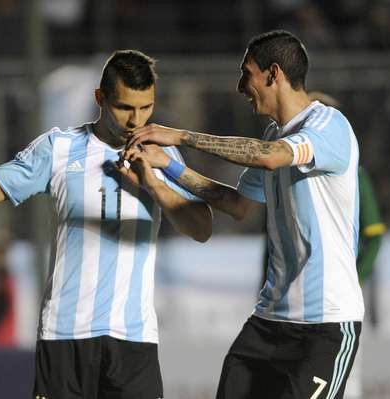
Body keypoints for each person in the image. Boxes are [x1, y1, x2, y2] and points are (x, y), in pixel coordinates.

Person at [0, 49, 212, 399]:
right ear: (100, 98)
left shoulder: (163, 155)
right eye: (125, 107)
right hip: (65, 335)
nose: (136, 120)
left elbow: (201, 228)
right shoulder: (59, 148)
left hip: (133, 338)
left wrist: (153, 183)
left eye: (146, 107)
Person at [124, 30, 363, 399]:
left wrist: (181, 137)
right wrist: (166, 167)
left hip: (325, 325)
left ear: (273, 74)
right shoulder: (274, 134)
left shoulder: (328, 126)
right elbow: (236, 204)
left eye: (245, 73)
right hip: (269, 321)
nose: (240, 86)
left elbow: (270, 157)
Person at [305, 91, 387, 399]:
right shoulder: (289, 172)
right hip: (296, 293)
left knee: (344, 376)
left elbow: (374, 234)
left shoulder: (352, 173)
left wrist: (355, 276)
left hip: (337, 293)